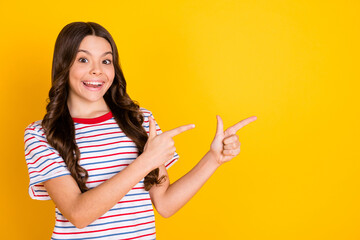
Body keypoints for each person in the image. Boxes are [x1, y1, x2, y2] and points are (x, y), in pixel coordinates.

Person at [24, 21, 257, 240]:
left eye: (106, 61)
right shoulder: (40, 135)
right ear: (64, 64)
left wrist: (214, 159)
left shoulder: (140, 121)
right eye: (83, 60)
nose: (97, 71)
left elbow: (165, 204)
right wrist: (145, 162)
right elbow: (78, 214)